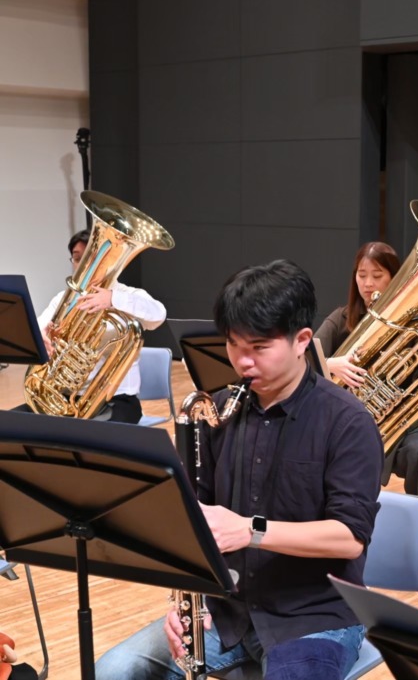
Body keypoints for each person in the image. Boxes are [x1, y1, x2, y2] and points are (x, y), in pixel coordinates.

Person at [95, 260, 384, 680]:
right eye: (233, 345)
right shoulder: (216, 413)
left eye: (260, 348)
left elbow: (349, 538)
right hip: (226, 609)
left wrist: (252, 530)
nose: (243, 363)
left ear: (302, 340)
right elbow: (195, 524)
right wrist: (186, 602)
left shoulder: (347, 421)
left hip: (314, 616)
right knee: (113, 671)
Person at [315, 241, 418, 520]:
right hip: (344, 423)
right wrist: (330, 364)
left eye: (377, 275)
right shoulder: (341, 319)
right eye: (361, 275)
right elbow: (302, 359)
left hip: (396, 425)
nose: (367, 283)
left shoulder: (415, 328)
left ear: (394, 278)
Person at [32, 230, 167, 423]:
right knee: (18, 421)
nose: (83, 265)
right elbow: (38, 326)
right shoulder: (63, 299)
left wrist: (113, 299)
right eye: (77, 259)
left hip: (116, 399)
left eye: (90, 258)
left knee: (84, 433)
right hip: (63, 396)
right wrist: (40, 335)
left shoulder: (127, 294)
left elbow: (158, 314)